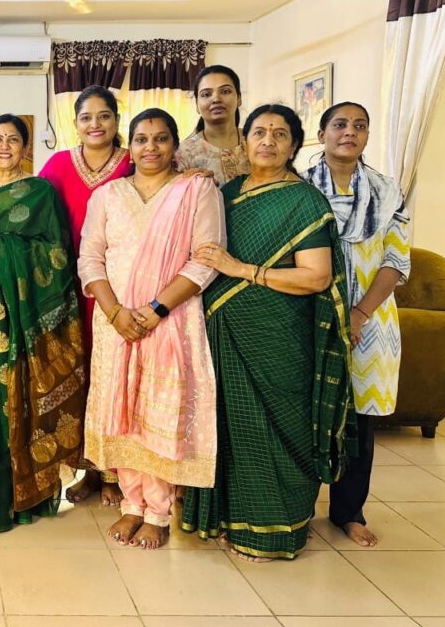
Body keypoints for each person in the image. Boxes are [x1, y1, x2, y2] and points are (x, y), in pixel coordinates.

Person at [182, 103, 357, 561]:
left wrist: (243, 270)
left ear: (294, 145)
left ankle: (277, 530)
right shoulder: (226, 192)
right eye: (259, 132)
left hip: (279, 335)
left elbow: (316, 277)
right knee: (229, 429)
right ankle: (230, 520)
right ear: (244, 141)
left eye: (280, 134)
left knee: (281, 428)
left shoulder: (304, 201)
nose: (268, 141)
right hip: (222, 332)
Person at [78, 109, 224, 549]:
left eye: (161, 138)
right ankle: (131, 504)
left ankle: (158, 512)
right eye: (141, 139)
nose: (151, 147)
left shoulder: (196, 190)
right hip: (116, 322)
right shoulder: (107, 195)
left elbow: (206, 257)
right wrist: (114, 313)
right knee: (120, 408)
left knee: (159, 412)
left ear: (174, 145)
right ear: (130, 146)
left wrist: (156, 309)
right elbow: (90, 258)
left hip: (171, 319)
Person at [0, 114, 86, 532]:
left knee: (16, 395)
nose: (5, 146)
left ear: (25, 148)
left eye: (14, 139)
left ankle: (25, 494)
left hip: (22, 316)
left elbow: (58, 253)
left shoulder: (40, 192)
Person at [302, 101, 410, 547]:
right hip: (309, 316)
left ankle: (349, 512)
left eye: (359, 125)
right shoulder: (300, 186)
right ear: (322, 133)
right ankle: (298, 508)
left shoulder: (387, 190)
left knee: (360, 422)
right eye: (340, 124)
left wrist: (360, 312)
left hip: (372, 320)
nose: (350, 132)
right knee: (306, 412)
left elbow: (396, 259)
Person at [38, 84, 131, 505]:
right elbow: (30, 211)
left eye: (104, 115)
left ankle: (115, 473)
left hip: (118, 287)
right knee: (78, 376)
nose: (95, 124)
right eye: (86, 117)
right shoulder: (58, 164)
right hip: (66, 287)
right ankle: (88, 469)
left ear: (116, 119)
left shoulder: (134, 161)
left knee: (114, 377)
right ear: (74, 123)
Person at [175, 64, 250, 184]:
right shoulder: (184, 153)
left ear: (239, 99)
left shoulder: (254, 142)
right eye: (206, 94)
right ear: (197, 104)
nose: (216, 99)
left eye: (225, 91)